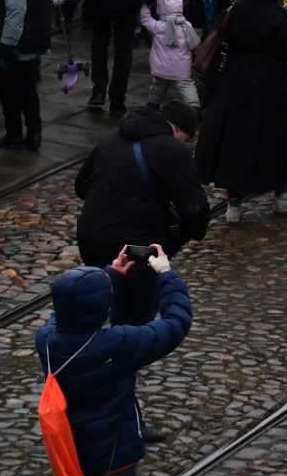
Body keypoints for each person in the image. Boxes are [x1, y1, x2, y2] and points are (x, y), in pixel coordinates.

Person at [35, 247, 193, 476]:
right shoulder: (117, 344)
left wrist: (109, 276)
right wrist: (165, 273)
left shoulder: (45, 340)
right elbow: (175, 324)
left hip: (69, 453)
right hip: (114, 460)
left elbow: (68, 309)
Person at [73, 96, 209, 326]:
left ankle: (100, 352)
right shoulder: (172, 150)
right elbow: (195, 211)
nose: (185, 144)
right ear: (176, 127)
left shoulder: (111, 137)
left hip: (91, 241)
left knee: (101, 305)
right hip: (136, 249)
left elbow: (81, 187)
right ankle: (122, 356)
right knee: (134, 322)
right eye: (186, 138)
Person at [195, 0, 287, 224]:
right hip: (269, 82)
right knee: (274, 136)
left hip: (234, 78)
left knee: (235, 138)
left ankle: (234, 202)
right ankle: (282, 193)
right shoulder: (276, 15)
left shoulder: (237, 8)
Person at [0, 0, 52, 146]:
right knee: (29, 89)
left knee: (10, 90)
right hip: (35, 38)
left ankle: (14, 134)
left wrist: (6, 44)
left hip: (19, 43)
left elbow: (16, 10)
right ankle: (34, 134)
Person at [137, 0, 201, 113]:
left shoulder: (158, 26)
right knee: (186, 85)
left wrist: (147, 5)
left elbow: (145, 19)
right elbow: (194, 43)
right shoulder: (186, 26)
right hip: (181, 67)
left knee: (158, 86)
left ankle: (153, 105)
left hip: (162, 66)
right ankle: (194, 105)